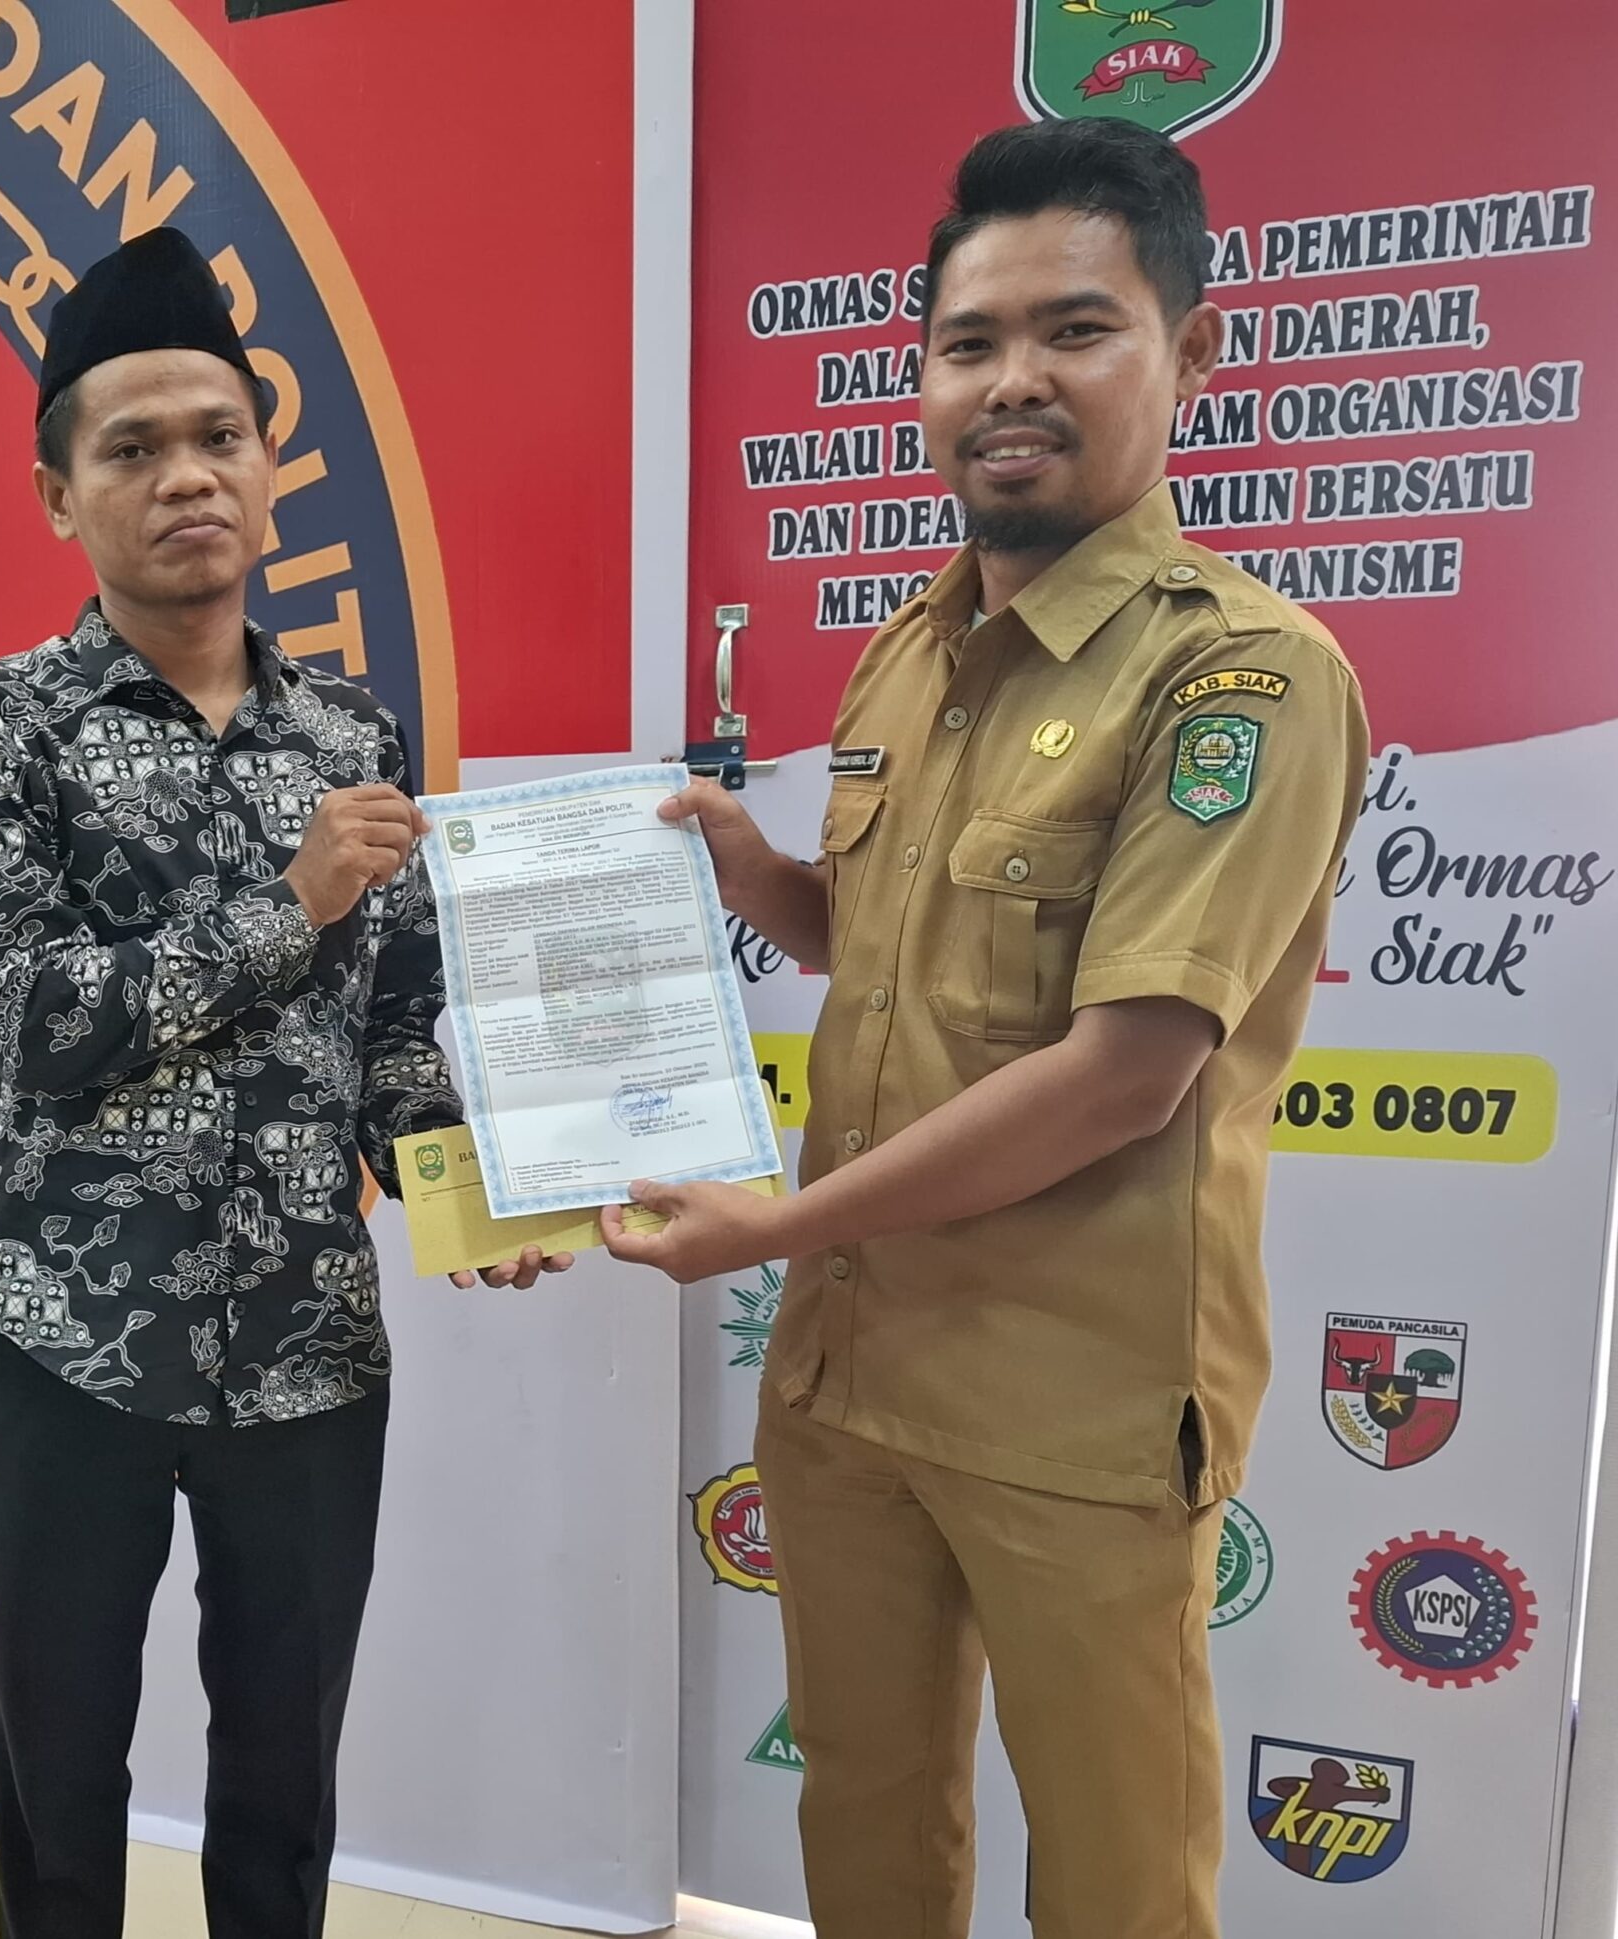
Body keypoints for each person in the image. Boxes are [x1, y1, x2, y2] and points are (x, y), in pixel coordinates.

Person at [606, 120, 1369, 1938]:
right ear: (927, 378)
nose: (1013, 380)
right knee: (867, 1828)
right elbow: (891, 957)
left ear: (1190, 352)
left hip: (1074, 1405)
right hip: (851, 1378)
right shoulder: (911, 649)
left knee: (1116, 1878)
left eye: (1076, 329)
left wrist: (774, 1231)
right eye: (971, 342)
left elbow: (1123, 1074)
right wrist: (754, 877)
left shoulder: (1243, 675)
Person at [0, 227, 567, 1939]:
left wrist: (466, 1193)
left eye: (219, 437)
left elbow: (396, 1030)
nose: (186, 478)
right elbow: (37, 1018)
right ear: (59, 495)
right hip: (71, 1347)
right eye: (132, 448)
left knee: (283, 1797)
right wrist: (290, 901)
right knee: (61, 1793)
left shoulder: (349, 736)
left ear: (269, 468)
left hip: (307, 1350)